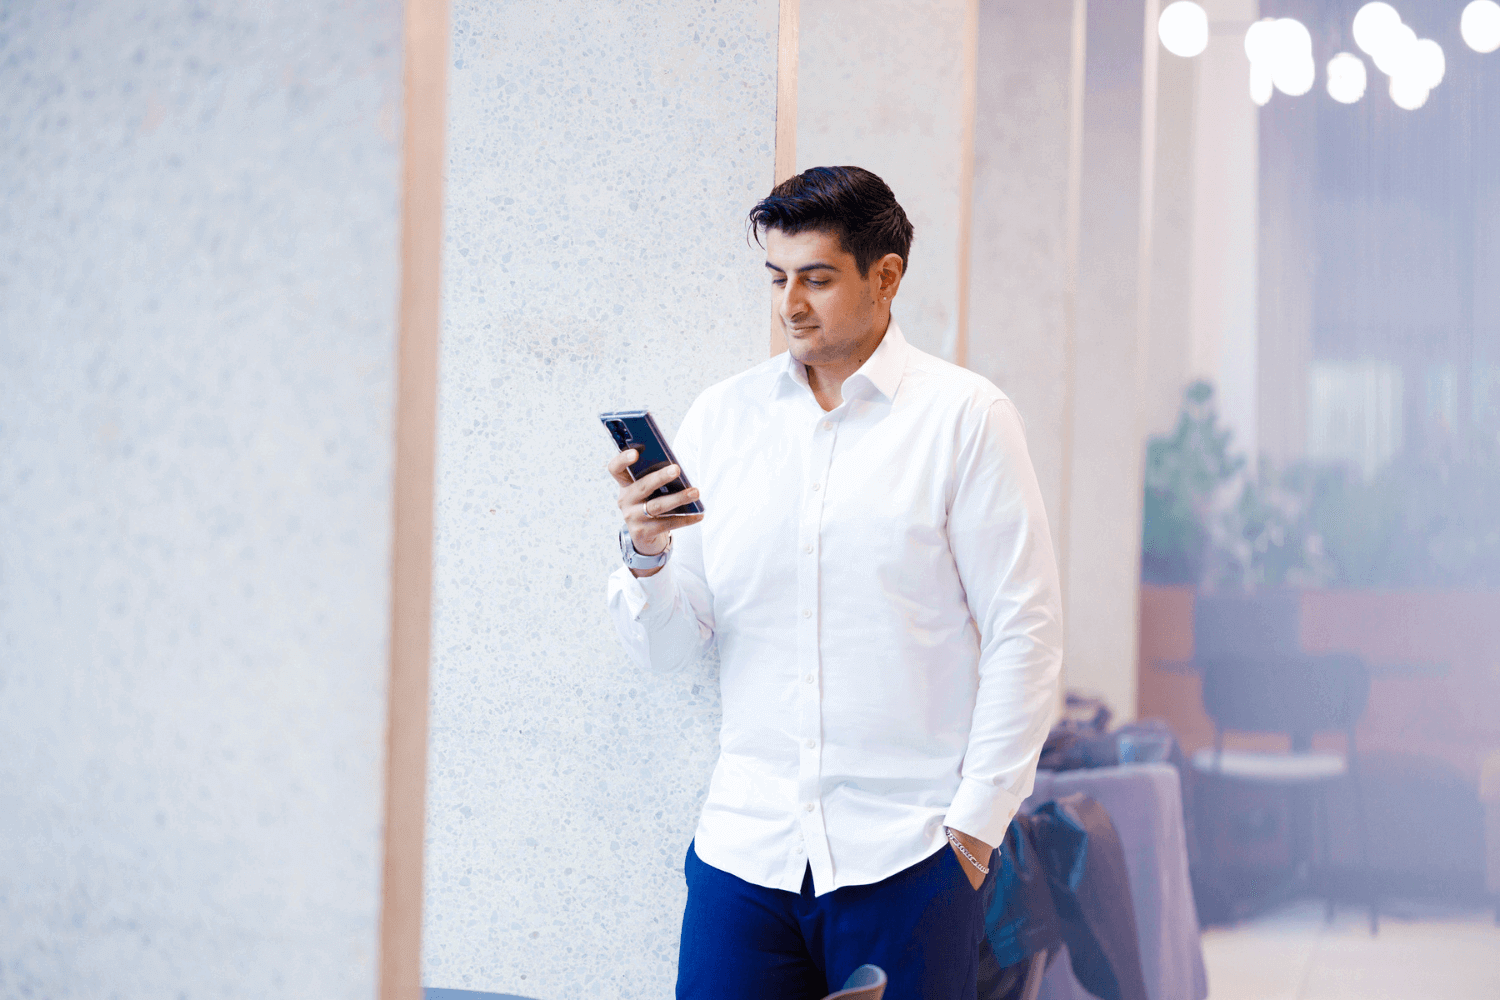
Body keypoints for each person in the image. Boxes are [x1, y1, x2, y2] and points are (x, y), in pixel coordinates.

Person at [605, 166, 1063, 1000]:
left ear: (885, 277)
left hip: (911, 856)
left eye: (816, 277)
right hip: (744, 854)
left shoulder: (965, 418)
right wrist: (645, 553)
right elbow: (673, 649)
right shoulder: (724, 417)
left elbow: (1024, 633)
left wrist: (974, 829)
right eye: (776, 278)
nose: (790, 304)